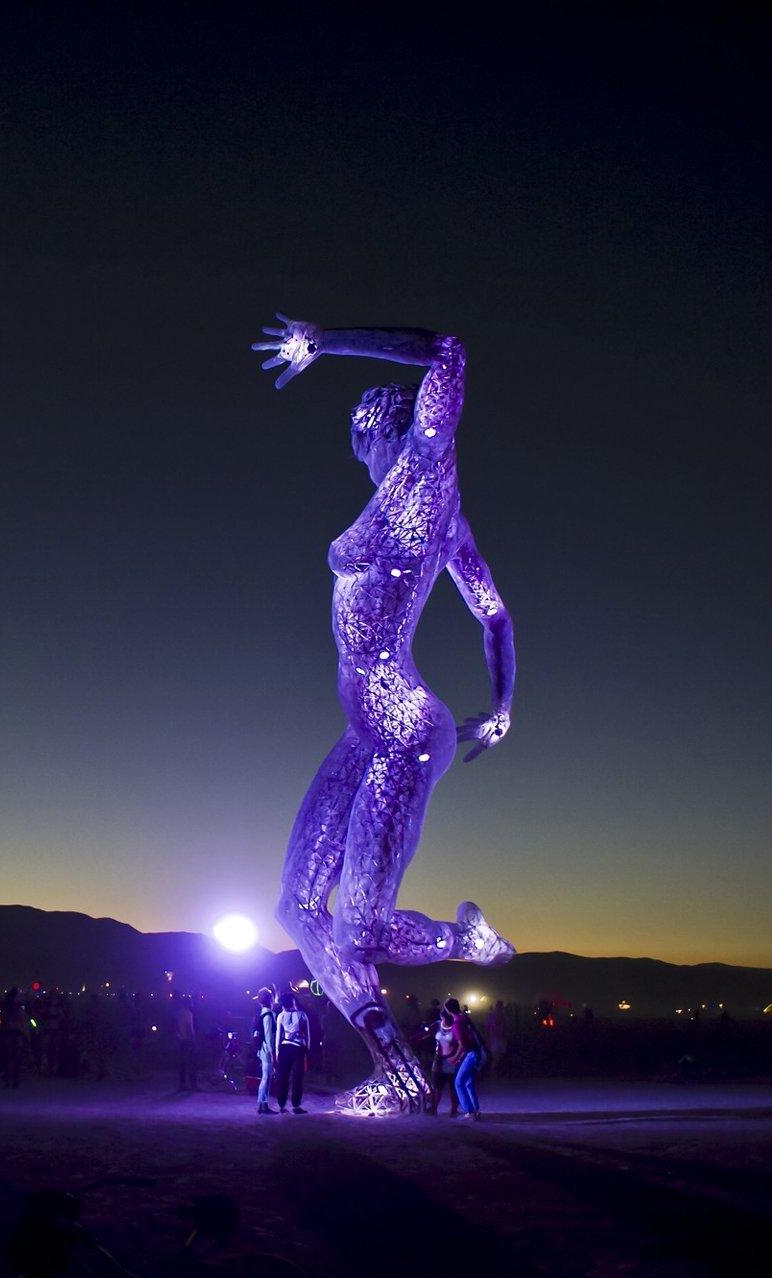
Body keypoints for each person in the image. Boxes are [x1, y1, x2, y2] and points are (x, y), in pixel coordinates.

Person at [257, 316, 519, 1113]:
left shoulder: (428, 474)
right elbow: (494, 617)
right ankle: (399, 1075)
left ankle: (460, 940)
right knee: (298, 904)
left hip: (404, 729)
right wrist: (503, 705)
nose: (354, 442)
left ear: (382, 427)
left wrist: (324, 338)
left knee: (360, 931)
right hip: (362, 729)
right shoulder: (419, 509)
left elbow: (450, 349)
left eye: (357, 429)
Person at [446, 997, 487, 1120]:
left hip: (472, 1054)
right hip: (478, 1052)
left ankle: (469, 1111)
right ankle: (476, 1111)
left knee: (458, 1083)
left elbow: (462, 1045)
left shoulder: (456, 1024)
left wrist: (455, 1057)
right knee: (469, 1083)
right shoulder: (464, 1018)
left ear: (448, 1010)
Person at [274, 989, 311, 1114]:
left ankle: (281, 1105)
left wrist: (277, 1052)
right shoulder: (302, 1015)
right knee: (297, 1077)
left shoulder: (280, 1016)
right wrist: (308, 1049)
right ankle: (296, 1105)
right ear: (293, 1002)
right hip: (298, 1048)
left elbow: (278, 1036)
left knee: (283, 1077)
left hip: (284, 1048)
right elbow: (307, 1034)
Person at [427, 1004, 459, 1116]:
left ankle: (454, 1110)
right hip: (438, 1060)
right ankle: (433, 1109)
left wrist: (456, 1057)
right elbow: (425, 1033)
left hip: (452, 1061)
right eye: (444, 1018)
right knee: (437, 1088)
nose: (446, 1021)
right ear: (441, 1017)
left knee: (453, 1088)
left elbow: (461, 1044)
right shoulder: (437, 1025)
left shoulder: (456, 1027)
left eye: (449, 1018)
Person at [252, 987, 279, 1114]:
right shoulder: (268, 1015)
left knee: (266, 1077)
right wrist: (273, 1054)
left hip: (263, 1049)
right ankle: (263, 1105)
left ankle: (262, 1104)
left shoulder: (263, 1012)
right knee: (266, 1078)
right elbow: (269, 1036)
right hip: (267, 1051)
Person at [171, 992, 198, 1089]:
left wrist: (177, 1036)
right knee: (192, 1062)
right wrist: (193, 1041)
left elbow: (174, 1026)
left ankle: (182, 1084)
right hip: (187, 1040)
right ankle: (193, 1084)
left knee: (182, 1063)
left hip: (180, 1040)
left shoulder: (178, 1013)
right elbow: (189, 1028)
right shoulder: (188, 1013)